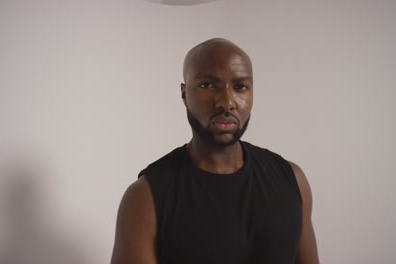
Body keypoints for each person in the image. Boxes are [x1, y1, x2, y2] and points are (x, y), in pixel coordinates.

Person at [110, 38, 319, 264]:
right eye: (208, 85)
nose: (227, 102)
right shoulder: (145, 197)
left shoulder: (291, 179)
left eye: (240, 87)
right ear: (184, 93)